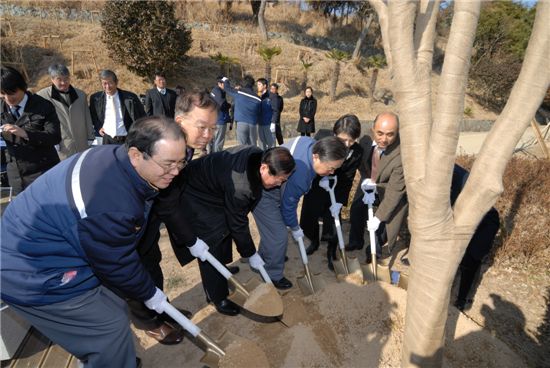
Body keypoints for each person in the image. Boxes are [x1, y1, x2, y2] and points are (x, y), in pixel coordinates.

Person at [0, 116, 187, 368]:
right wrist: (150, 293)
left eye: (181, 162)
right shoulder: (111, 204)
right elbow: (116, 262)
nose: (175, 172)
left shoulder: (114, 159)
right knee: (108, 329)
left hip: (47, 244)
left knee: (113, 308)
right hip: (31, 271)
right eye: (168, 164)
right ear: (135, 154)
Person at [127, 90, 219, 343]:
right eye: (202, 127)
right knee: (135, 267)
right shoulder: (160, 145)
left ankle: (161, 308)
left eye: (212, 128)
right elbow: (168, 204)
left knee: (151, 260)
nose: (208, 135)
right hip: (130, 214)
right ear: (180, 123)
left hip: (150, 214)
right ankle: (148, 322)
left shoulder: (186, 149)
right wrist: (191, 239)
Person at [173, 146, 295, 315]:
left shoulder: (259, 158)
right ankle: (217, 297)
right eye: (279, 179)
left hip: (215, 187)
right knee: (212, 240)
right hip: (194, 192)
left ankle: (221, 268)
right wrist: (250, 253)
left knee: (224, 229)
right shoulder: (241, 185)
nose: (279, 184)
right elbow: (238, 222)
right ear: (264, 168)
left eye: (283, 180)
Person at [253, 136, 348, 289]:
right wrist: (295, 227)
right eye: (330, 168)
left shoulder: (310, 143)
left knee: (273, 231)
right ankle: (273, 275)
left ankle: (267, 256)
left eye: (335, 169)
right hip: (265, 189)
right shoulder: (301, 175)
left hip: (275, 179)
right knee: (279, 235)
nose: (332, 172)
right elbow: (287, 207)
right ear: (316, 157)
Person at [300, 114, 364, 270]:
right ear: (335, 134)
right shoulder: (322, 137)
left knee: (334, 221)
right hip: (317, 185)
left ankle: (331, 252)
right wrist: (317, 178)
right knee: (310, 216)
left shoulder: (357, 151)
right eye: (343, 140)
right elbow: (312, 161)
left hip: (337, 189)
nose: (347, 144)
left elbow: (348, 178)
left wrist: (341, 202)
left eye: (352, 140)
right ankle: (314, 242)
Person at [347, 112, 408, 263]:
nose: (384, 139)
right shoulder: (366, 140)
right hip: (369, 181)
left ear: (397, 133)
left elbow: (394, 193)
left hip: (388, 188)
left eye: (390, 135)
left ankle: (374, 251)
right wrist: (366, 179)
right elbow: (362, 163)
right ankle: (356, 241)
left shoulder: (401, 154)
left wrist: (378, 218)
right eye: (380, 133)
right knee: (356, 209)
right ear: (373, 129)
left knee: (381, 223)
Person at [0, 66, 61, 194]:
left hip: (43, 170)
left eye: (12, 93)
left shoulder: (43, 106)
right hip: (16, 174)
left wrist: (26, 134)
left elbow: (54, 136)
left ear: (22, 87)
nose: (8, 99)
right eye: (2, 94)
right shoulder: (1, 107)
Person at [451, 164, 500, 311]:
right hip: (460, 217)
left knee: (470, 260)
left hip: (484, 220)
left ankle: (462, 299)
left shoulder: (457, 175)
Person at [37, 64, 95, 160]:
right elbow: (40, 121)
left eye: (66, 78)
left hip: (81, 143)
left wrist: (90, 137)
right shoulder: (42, 96)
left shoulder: (81, 95)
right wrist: (49, 140)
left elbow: (87, 117)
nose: (64, 82)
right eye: (59, 79)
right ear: (52, 79)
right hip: (61, 145)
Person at [89, 69, 145, 144]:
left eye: (110, 83)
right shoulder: (96, 99)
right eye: (104, 83)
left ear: (116, 82)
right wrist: (99, 127)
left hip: (126, 138)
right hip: (107, 139)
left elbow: (142, 116)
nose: (107, 86)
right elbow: (93, 116)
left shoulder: (130, 98)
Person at [223, 75, 261, 146]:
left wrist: (225, 80)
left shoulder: (239, 93)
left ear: (244, 83)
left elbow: (227, 88)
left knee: (242, 147)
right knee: (253, 146)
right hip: (253, 125)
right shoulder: (258, 98)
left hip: (241, 123)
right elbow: (259, 112)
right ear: (253, 85)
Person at [209, 76, 232, 152]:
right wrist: (229, 105)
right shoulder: (217, 91)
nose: (227, 86)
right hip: (219, 120)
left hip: (215, 119)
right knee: (218, 141)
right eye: (225, 84)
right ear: (220, 84)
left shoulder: (217, 91)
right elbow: (222, 104)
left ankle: (212, 158)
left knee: (214, 141)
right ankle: (217, 158)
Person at [257, 78, 274, 149]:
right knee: (261, 144)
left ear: (264, 86)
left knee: (271, 145)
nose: (257, 86)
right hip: (260, 124)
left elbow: (276, 110)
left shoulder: (271, 96)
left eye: (259, 84)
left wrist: (273, 122)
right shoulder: (257, 96)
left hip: (268, 124)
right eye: (257, 84)